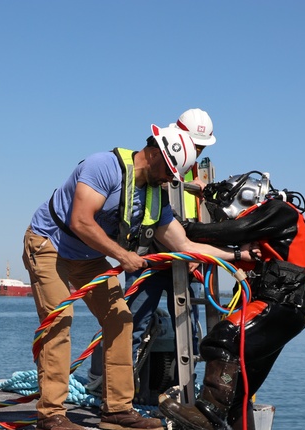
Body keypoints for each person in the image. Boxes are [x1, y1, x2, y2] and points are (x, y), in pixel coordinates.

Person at [23, 125, 259, 430]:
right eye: (169, 171)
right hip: (49, 243)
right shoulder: (103, 166)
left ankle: (117, 411)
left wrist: (236, 254)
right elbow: (80, 220)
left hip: (85, 256)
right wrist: (123, 255)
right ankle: (51, 416)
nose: (168, 180)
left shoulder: (154, 195)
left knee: (121, 318)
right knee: (59, 320)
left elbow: (184, 246)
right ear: (156, 154)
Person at [159, 175, 305, 430]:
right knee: (240, 389)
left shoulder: (280, 210)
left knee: (222, 340)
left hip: (283, 303)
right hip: (289, 308)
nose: (224, 215)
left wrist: (184, 229)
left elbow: (236, 230)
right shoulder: (272, 232)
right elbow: (243, 245)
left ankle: (205, 414)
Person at [87, 109, 216, 395]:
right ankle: (108, 388)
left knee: (189, 329)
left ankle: (185, 390)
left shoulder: (196, 171)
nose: (197, 149)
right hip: (150, 257)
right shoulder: (162, 168)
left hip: (183, 257)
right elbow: (151, 215)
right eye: (195, 143)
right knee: (129, 322)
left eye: (202, 146)